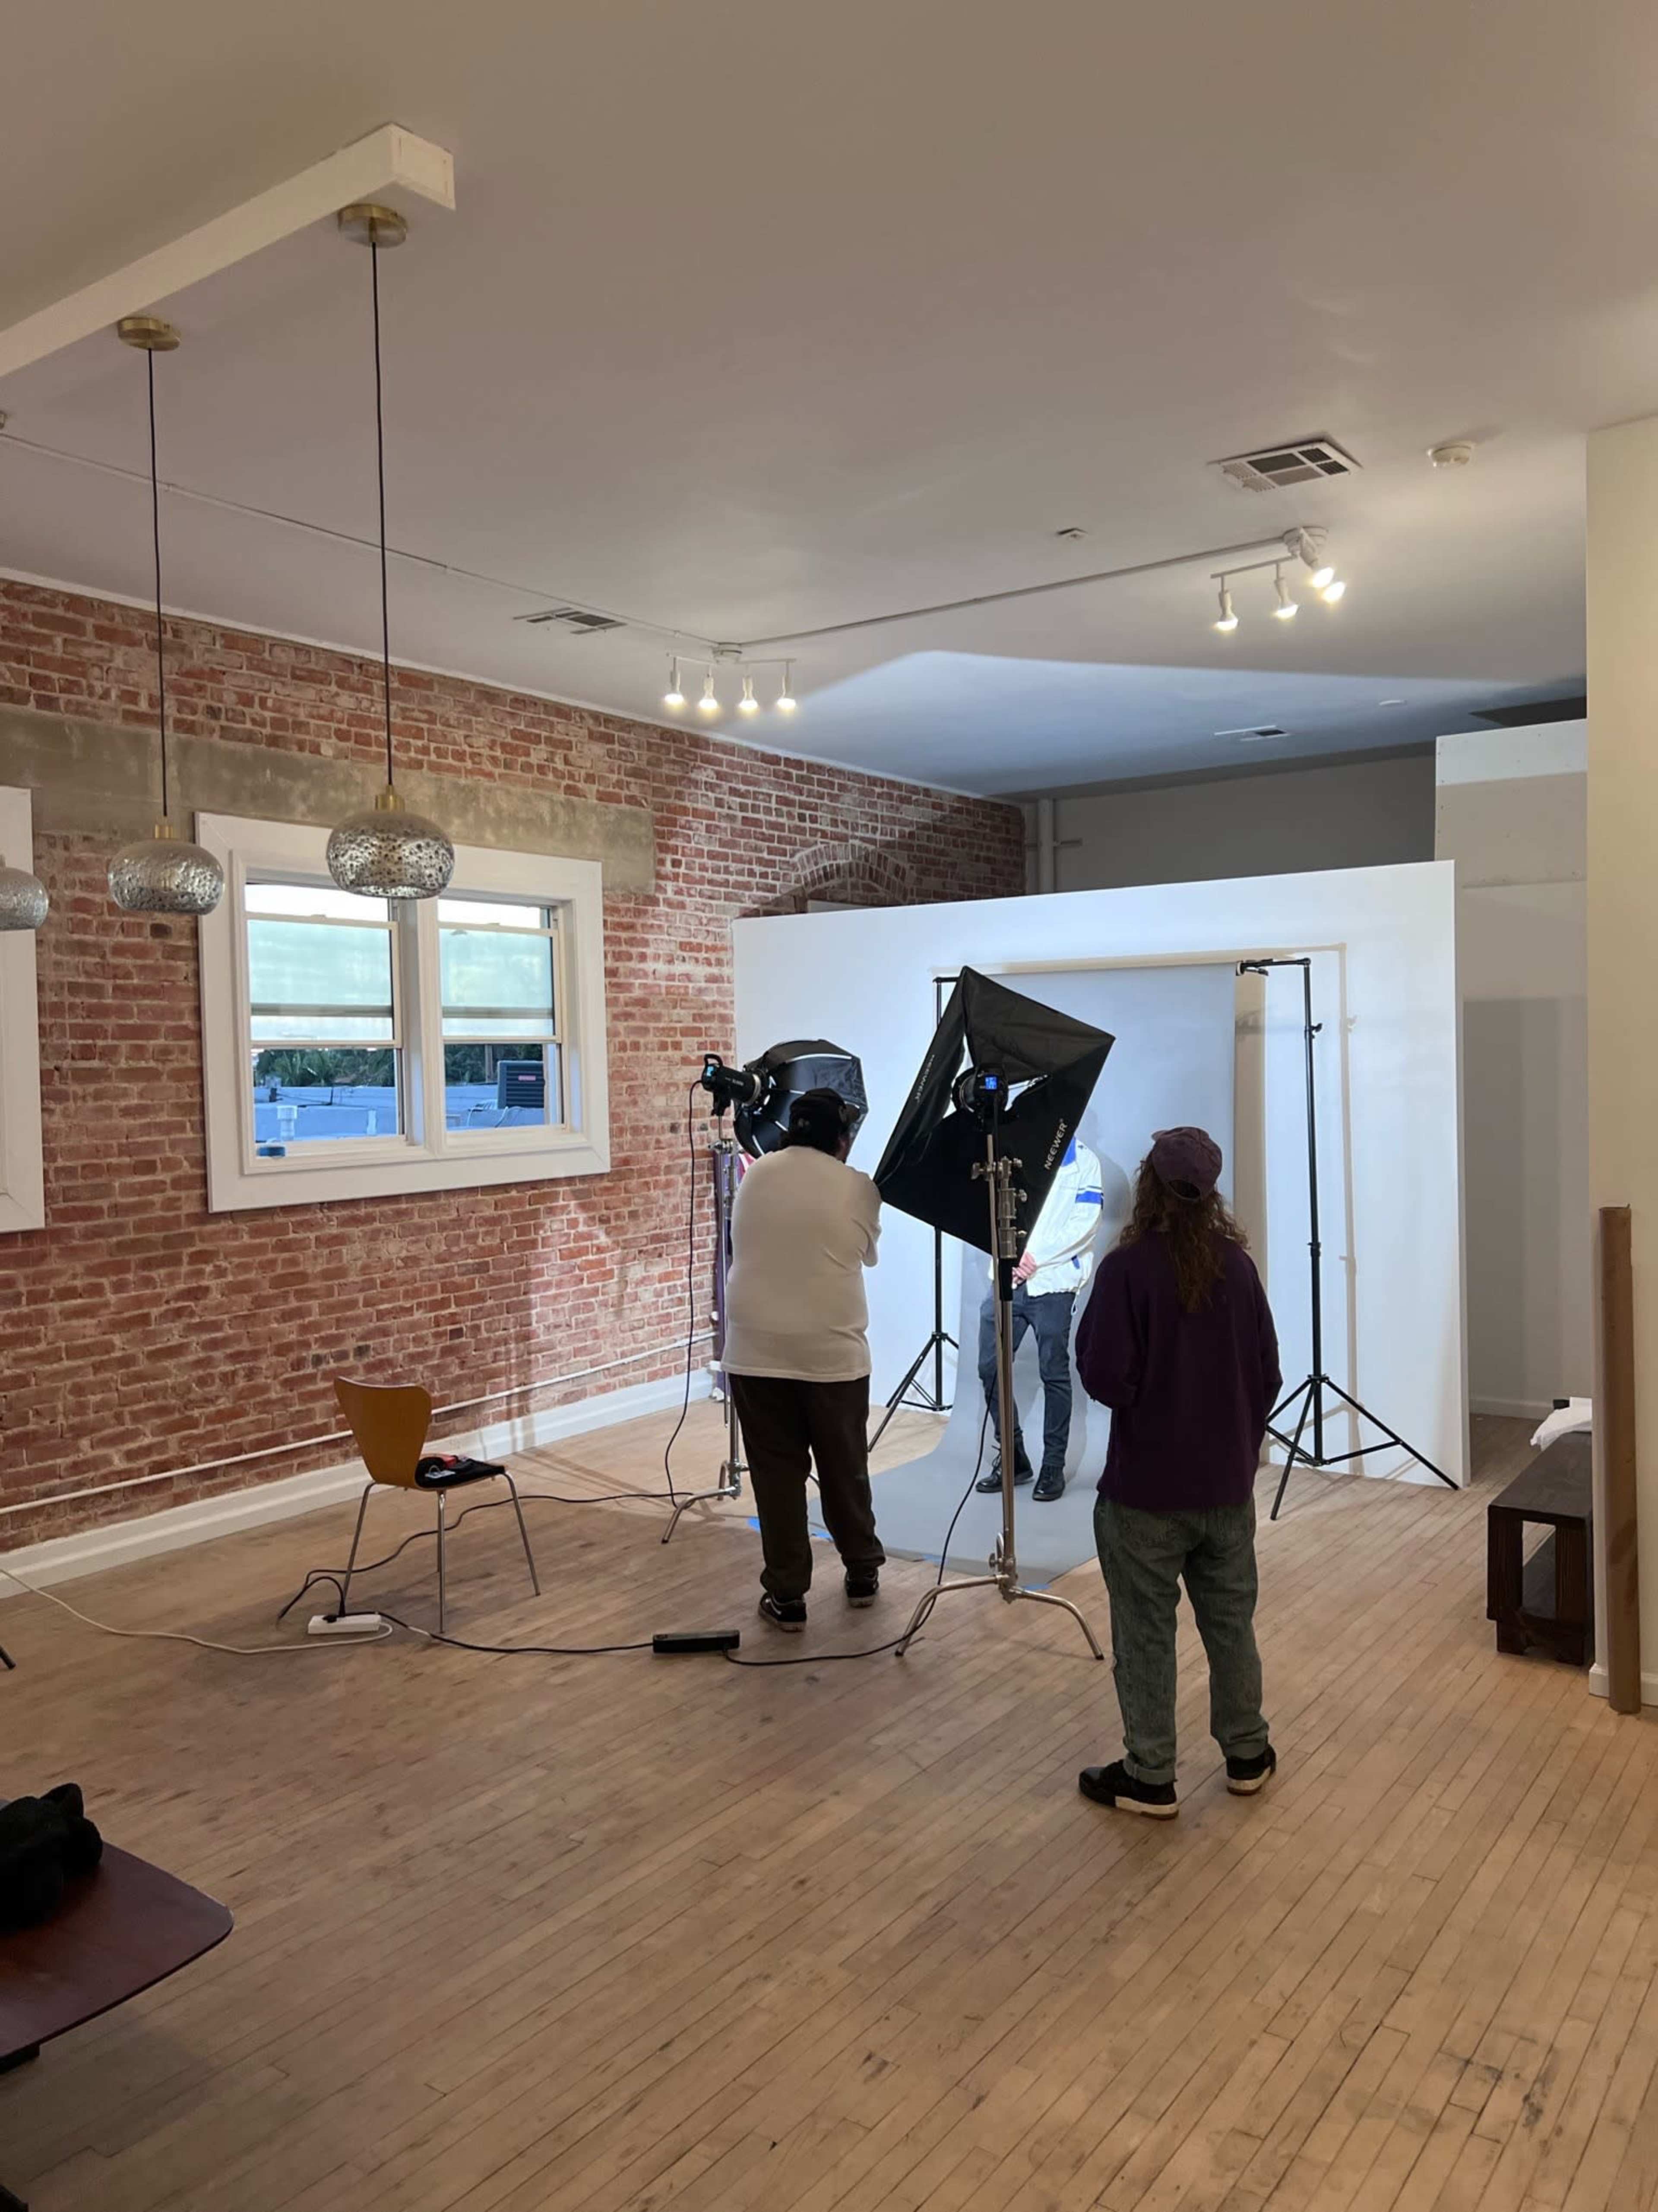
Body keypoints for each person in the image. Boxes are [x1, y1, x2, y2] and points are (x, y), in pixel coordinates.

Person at [1072, 1127, 1281, 1818]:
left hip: (1146, 1493)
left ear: (1150, 1185)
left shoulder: (1128, 1268)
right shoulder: (1239, 1266)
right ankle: (1248, 1753)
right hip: (1226, 1488)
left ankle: (1151, 1772)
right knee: (1231, 1625)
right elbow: (1269, 1371)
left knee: (1143, 1632)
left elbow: (1104, 1376)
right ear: (1211, 1192)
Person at [723, 1088, 886, 1631]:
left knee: (776, 1474)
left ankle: (788, 1595)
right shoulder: (858, 1186)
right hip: (830, 1349)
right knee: (844, 1465)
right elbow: (865, 1253)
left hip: (753, 1348)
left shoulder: (757, 1174)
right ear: (842, 1139)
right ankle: (862, 1570)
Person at [975, 1135, 1103, 1501]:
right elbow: (989, 1207)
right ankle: (1015, 1458)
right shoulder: (1012, 1152)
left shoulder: (1085, 1162)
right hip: (1008, 1277)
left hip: (1055, 1284)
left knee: (1054, 1373)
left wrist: (1033, 1256)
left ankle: (1053, 1465)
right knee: (990, 1367)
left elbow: (1085, 1223)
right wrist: (1010, 1254)